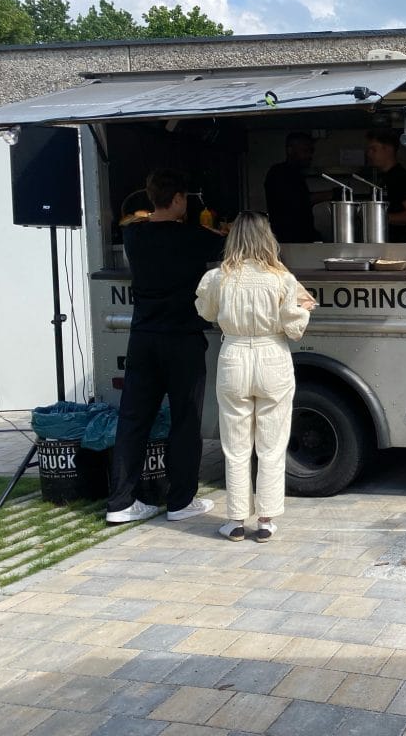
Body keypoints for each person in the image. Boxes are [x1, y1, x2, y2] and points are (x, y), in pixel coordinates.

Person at [106, 169, 225, 524]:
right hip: (183, 339)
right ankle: (180, 502)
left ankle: (121, 504)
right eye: (184, 199)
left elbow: (134, 218)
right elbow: (225, 242)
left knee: (132, 420)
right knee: (185, 421)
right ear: (176, 200)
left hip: (143, 339)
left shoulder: (133, 235)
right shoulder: (194, 236)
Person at [195, 212, 314, 543]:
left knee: (235, 445)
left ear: (233, 238)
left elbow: (204, 311)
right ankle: (265, 520)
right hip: (272, 355)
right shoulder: (282, 278)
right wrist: (305, 308)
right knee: (272, 444)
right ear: (268, 238)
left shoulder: (218, 277)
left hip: (233, 355)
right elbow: (294, 326)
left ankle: (234, 520)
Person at [264, 131, 328, 243]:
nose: (309, 156)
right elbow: (298, 201)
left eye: (311, 151)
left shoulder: (296, 174)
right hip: (286, 238)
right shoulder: (279, 173)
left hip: (303, 238)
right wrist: (331, 194)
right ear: (290, 150)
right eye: (305, 151)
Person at [365, 128, 406, 242]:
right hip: (380, 245)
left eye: (373, 149)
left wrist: (379, 217)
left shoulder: (401, 178)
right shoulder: (384, 178)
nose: (369, 154)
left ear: (388, 149)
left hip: (394, 249)